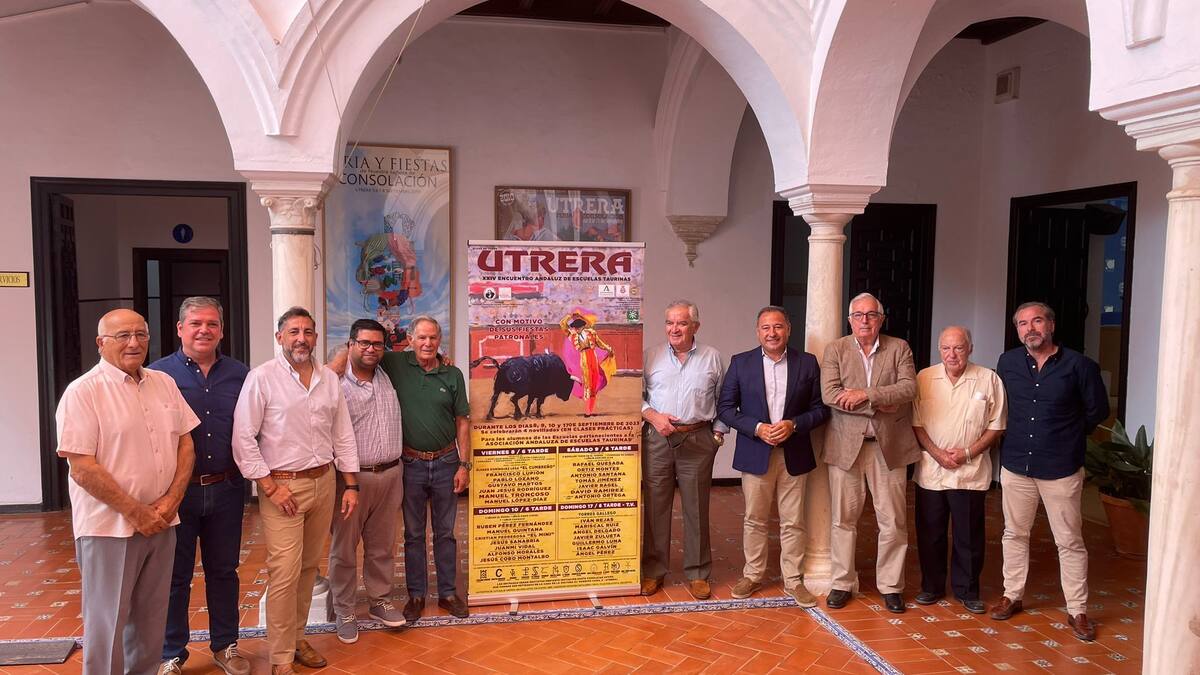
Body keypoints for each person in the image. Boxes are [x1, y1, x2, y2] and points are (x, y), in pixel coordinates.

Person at [56, 309, 199, 675]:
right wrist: (137, 512)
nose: (134, 343)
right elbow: (82, 467)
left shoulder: (163, 383)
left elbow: (186, 444)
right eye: (123, 336)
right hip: (108, 529)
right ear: (100, 343)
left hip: (163, 522)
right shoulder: (83, 392)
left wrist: (171, 501)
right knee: (107, 626)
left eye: (141, 334)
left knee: (151, 623)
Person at [232, 307, 360, 675]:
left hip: (324, 482)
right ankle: (280, 658)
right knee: (285, 572)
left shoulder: (328, 379)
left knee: (308, 568)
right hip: (282, 488)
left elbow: (342, 434)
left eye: (307, 332)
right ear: (280, 338)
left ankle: (297, 638)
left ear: (316, 338)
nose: (301, 339)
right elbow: (243, 438)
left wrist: (350, 484)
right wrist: (270, 487)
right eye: (293, 332)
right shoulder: (262, 378)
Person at [991, 302, 1109, 641]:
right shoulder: (1008, 362)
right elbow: (1002, 406)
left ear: (1051, 325)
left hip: (1061, 467)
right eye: (1023, 323)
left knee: (1069, 540)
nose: (1030, 328)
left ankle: (1078, 610)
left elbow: (1097, 411)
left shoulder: (1080, 366)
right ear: (1017, 330)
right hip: (1017, 464)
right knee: (1014, 533)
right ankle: (1012, 595)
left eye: (1037, 321)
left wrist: (1067, 435)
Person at [149, 298, 251, 675]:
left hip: (227, 489)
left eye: (212, 324)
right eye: (195, 323)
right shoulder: (158, 375)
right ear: (180, 329)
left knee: (223, 571)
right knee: (174, 576)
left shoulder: (241, 375)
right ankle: (171, 653)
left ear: (221, 331)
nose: (204, 330)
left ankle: (226, 645)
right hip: (178, 492)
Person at [717, 306, 830, 607]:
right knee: (755, 519)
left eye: (778, 327)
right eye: (766, 327)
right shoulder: (740, 363)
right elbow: (725, 408)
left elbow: (821, 409)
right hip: (756, 453)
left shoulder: (807, 363)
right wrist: (757, 428)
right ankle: (753, 575)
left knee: (793, 521)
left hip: (794, 453)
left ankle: (793, 580)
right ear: (758, 332)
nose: (772, 333)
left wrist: (794, 425)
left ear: (788, 330)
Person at [821, 292, 919, 614]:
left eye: (871, 315)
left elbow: (908, 388)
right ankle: (842, 583)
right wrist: (880, 404)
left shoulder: (899, 348)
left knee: (893, 521)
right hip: (845, 448)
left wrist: (865, 395)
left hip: (888, 448)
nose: (865, 320)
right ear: (850, 320)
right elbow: (830, 394)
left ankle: (891, 586)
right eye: (858, 315)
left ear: (881, 319)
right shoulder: (836, 349)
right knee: (843, 520)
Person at [378, 315, 471, 622]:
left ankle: (447, 593)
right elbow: (360, 353)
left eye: (433, 338)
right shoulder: (396, 364)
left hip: (446, 463)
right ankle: (416, 595)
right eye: (421, 338)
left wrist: (464, 465)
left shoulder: (452, 373)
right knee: (414, 534)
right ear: (410, 340)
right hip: (411, 464)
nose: (427, 343)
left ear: (440, 340)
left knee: (445, 533)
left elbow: (462, 422)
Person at [911, 326, 1006, 615]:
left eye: (959, 348)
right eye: (946, 348)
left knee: (969, 535)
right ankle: (932, 586)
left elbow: (997, 425)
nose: (952, 354)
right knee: (930, 533)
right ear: (939, 349)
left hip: (970, 471)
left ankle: (967, 590)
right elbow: (916, 423)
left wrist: (967, 453)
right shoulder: (924, 377)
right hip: (932, 469)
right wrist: (937, 453)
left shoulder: (988, 379)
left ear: (970, 348)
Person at [640, 301, 729, 600]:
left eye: (681, 323)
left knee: (697, 507)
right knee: (655, 505)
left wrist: (717, 434)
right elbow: (636, 396)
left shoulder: (712, 357)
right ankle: (653, 570)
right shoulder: (650, 356)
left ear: (695, 327)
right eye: (669, 322)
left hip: (697, 439)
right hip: (657, 439)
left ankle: (698, 573)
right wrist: (653, 416)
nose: (674, 329)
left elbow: (724, 399)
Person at [328, 319, 407, 644]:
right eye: (364, 343)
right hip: (352, 480)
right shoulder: (335, 383)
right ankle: (345, 609)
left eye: (377, 344)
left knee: (382, 546)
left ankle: (379, 600)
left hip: (391, 474)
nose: (371, 349)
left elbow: (421, 355)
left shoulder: (388, 375)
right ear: (351, 345)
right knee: (344, 549)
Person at [559, 308, 616, 416]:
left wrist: (608, 349)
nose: (576, 329)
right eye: (575, 327)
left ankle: (589, 410)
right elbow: (562, 324)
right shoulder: (572, 335)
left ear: (582, 327)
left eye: (578, 327)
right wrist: (570, 315)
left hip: (593, 358)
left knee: (593, 385)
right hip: (583, 359)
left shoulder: (591, 333)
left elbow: (600, 343)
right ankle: (588, 409)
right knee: (588, 384)